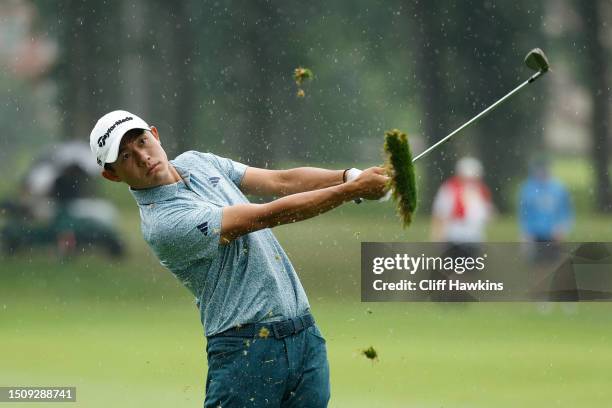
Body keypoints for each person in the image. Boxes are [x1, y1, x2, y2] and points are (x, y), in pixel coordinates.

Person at [89, 110, 388, 407]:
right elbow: (268, 215)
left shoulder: (197, 161)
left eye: (141, 141)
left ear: (154, 135)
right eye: (126, 156)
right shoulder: (163, 223)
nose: (142, 156)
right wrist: (351, 191)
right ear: (112, 175)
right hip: (246, 349)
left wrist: (350, 176)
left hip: (305, 339)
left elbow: (280, 180)